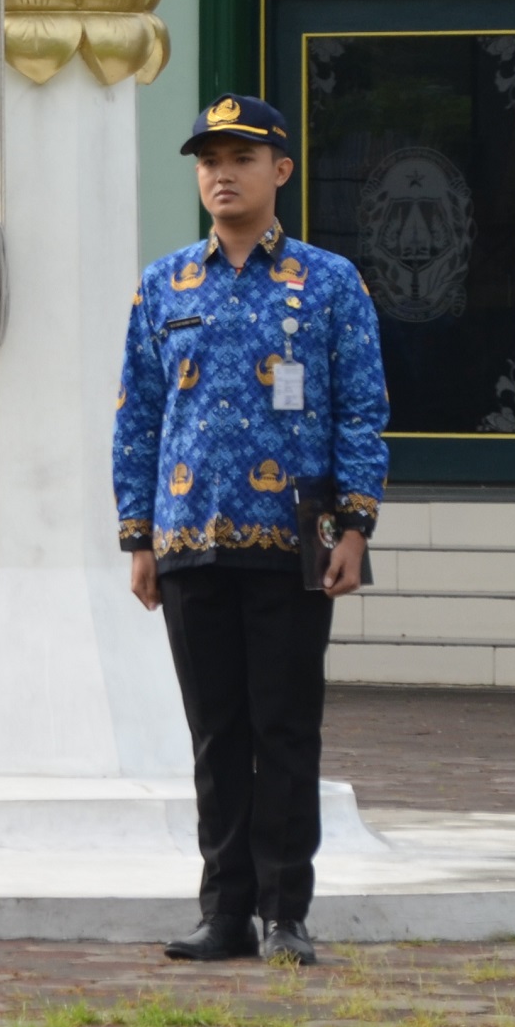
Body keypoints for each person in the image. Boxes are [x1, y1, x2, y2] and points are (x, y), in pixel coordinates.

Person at [116, 95, 386, 969]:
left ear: (282, 170)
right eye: (207, 160)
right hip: (191, 537)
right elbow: (138, 416)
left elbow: (361, 409)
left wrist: (354, 523)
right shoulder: (165, 285)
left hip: (292, 540)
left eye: (240, 157)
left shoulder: (330, 282)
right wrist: (138, 536)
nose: (221, 174)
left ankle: (286, 913)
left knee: (286, 728)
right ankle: (224, 909)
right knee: (215, 732)